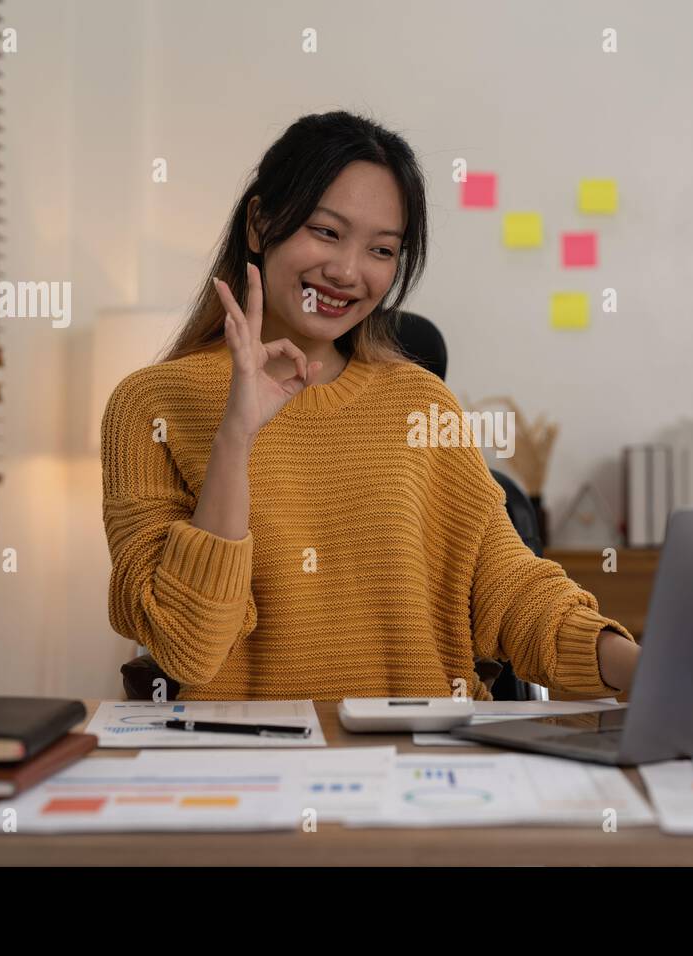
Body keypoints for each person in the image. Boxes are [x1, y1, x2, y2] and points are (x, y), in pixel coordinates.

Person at [101, 110, 640, 701]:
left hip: (425, 763)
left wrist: (640, 666)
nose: (346, 272)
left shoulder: (420, 402)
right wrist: (235, 437)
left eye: (382, 250)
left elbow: (510, 589)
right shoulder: (149, 406)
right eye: (327, 232)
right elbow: (189, 647)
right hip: (255, 767)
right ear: (259, 222)